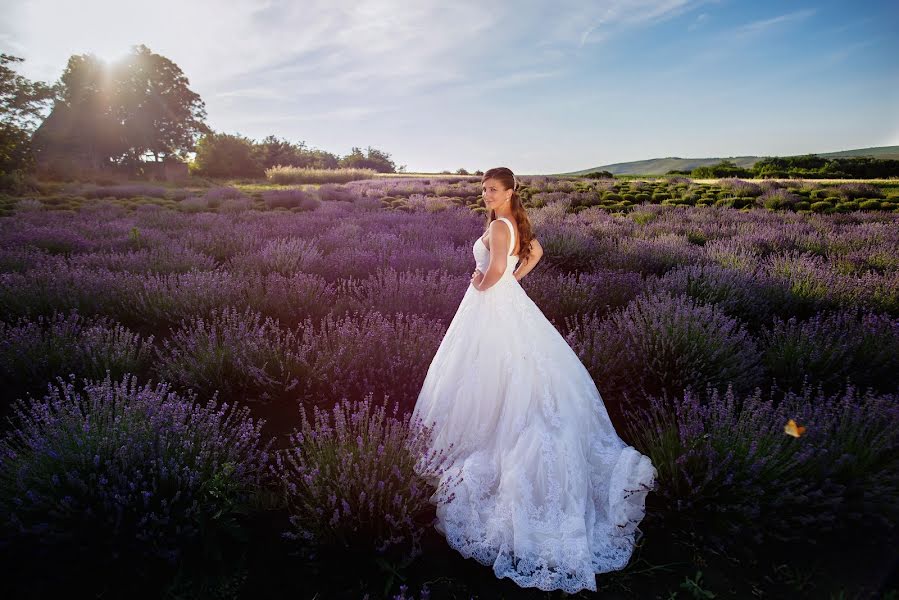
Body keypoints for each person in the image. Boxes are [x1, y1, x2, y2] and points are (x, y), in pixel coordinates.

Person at [410, 167, 658, 594]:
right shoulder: (512, 222)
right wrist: (511, 280)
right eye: (484, 189)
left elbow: (493, 273)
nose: (486, 194)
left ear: (509, 192)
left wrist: (485, 280)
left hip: (490, 305)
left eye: (493, 189)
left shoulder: (502, 225)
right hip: (504, 303)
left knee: (494, 372)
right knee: (499, 370)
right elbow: (536, 253)